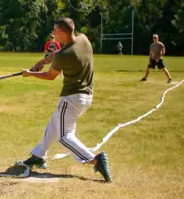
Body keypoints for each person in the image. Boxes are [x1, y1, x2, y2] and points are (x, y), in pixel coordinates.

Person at [16, 18, 112, 183]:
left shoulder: (63, 56)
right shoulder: (84, 40)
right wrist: (44, 61)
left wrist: (29, 73)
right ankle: (38, 156)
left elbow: (50, 76)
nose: (53, 35)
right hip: (86, 97)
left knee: (64, 136)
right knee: (54, 123)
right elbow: (59, 55)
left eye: (55, 32)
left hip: (71, 99)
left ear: (62, 33)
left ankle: (95, 160)